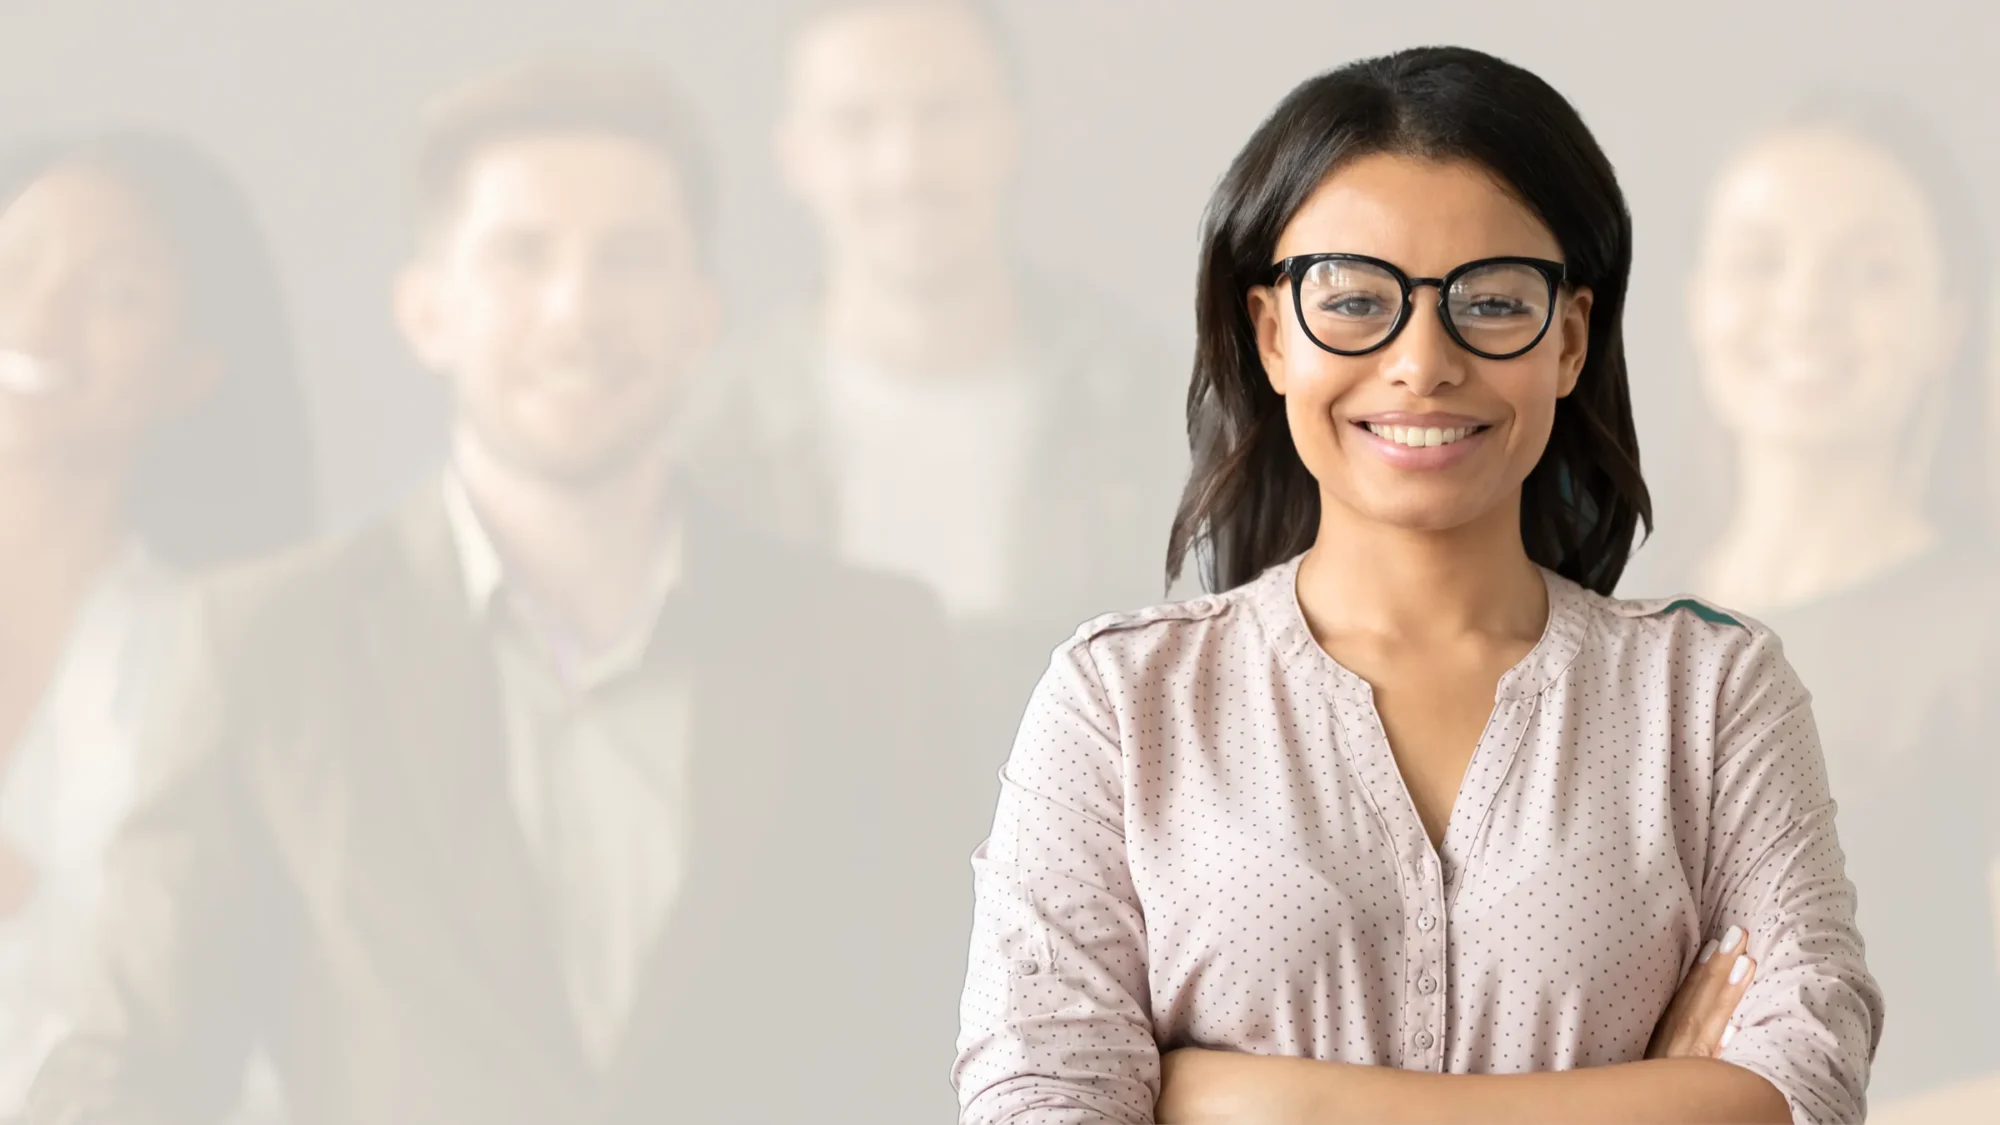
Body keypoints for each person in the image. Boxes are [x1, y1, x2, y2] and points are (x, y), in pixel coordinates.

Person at [954, 46, 1880, 1124]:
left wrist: (1243, 1101)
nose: (1422, 360)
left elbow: (1804, 1082)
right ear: (1270, 336)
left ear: (1568, 339)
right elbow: (1038, 1100)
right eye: (1352, 300)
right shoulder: (1120, 706)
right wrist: (1650, 1100)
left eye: (1490, 303)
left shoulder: (1714, 697)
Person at [26, 61, 962, 1125]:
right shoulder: (262, 646)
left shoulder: (873, 650)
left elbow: (939, 1048)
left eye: (629, 258)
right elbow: (133, 1069)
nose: (576, 308)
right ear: (427, 312)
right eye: (522, 256)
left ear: (702, 313)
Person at [690, 0, 1187, 807]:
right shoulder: (710, 441)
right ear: (794, 155)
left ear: (1011, 134)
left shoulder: (1161, 409)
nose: (905, 164)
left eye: (942, 114)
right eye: (857, 123)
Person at [1629, 93, 2000, 1104]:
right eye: (1760, 259)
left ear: (1945, 325)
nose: (1805, 306)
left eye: (1870, 271)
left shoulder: (1979, 639)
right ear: (1699, 297)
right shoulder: (1605, 639)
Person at [0, 127, 315, 1116]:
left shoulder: (228, 663)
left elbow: (261, 1037)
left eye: (114, 292)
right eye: (14, 264)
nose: (40, 320)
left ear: (192, 371)